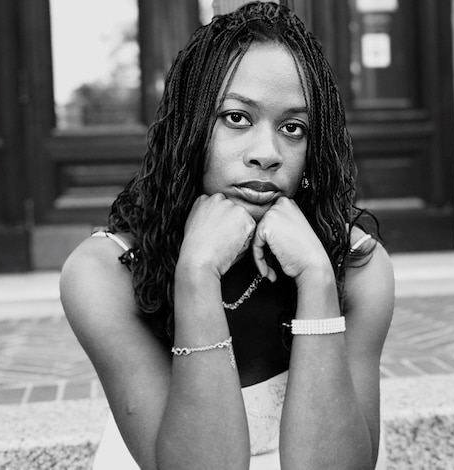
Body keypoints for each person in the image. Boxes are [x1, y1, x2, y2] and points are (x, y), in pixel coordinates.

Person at [60, 2, 394, 469]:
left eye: (293, 128)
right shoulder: (104, 273)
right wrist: (197, 273)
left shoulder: (357, 265)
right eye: (237, 118)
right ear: (189, 127)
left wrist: (317, 279)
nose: (267, 153)